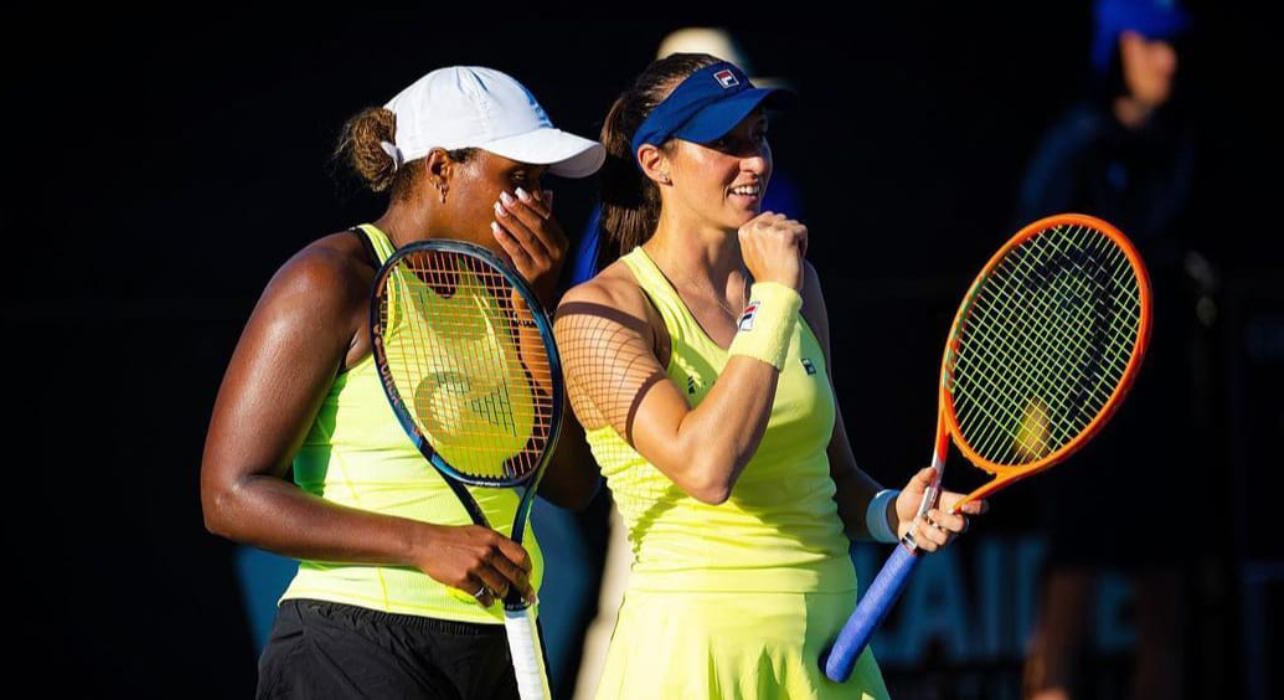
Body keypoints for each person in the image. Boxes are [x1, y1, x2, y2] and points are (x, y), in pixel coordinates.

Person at [553, 53, 987, 700]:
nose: (754, 161)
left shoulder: (796, 281)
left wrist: (896, 511)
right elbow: (707, 471)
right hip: (693, 662)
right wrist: (774, 303)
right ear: (656, 163)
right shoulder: (599, 312)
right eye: (725, 142)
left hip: (828, 655)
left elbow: (838, 481)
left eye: (758, 136)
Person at [199, 65, 604, 699]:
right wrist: (423, 544)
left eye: (541, 186)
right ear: (441, 167)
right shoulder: (329, 280)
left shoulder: (506, 296)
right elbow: (229, 496)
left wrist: (536, 308)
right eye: (516, 180)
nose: (537, 205)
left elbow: (572, 485)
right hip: (351, 644)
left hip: (500, 650)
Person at [1015, 2, 1202, 698]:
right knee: (1071, 587)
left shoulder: (1179, 147)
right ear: (1114, 48)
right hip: (1081, 410)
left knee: (1165, 596)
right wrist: (1038, 398)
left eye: (1173, 45)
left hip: (1161, 410)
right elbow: (1028, 277)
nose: (1167, 61)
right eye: (1150, 43)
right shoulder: (1074, 151)